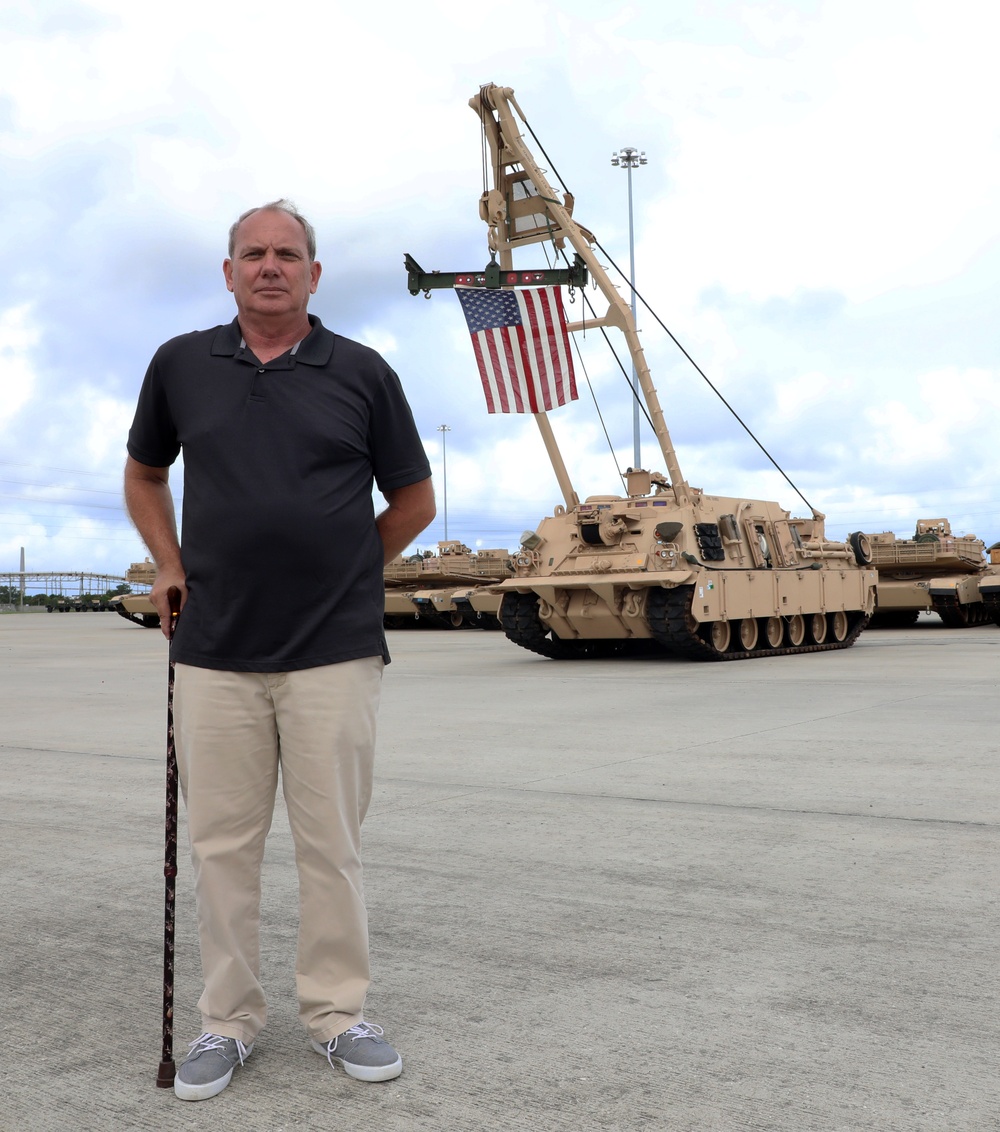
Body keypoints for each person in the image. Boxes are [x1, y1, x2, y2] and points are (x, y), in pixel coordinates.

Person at [125, 199, 435, 1102]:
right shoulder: (181, 365)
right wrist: (169, 563)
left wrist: (348, 570)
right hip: (214, 647)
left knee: (331, 843)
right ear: (229, 273)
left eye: (288, 254)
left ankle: (338, 1016)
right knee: (223, 844)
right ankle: (227, 1021)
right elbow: (145, 475)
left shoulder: (364, 373)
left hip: (334, 651)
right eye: (253, 253)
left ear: (314, 273)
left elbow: (412, 500)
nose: (270, 265)